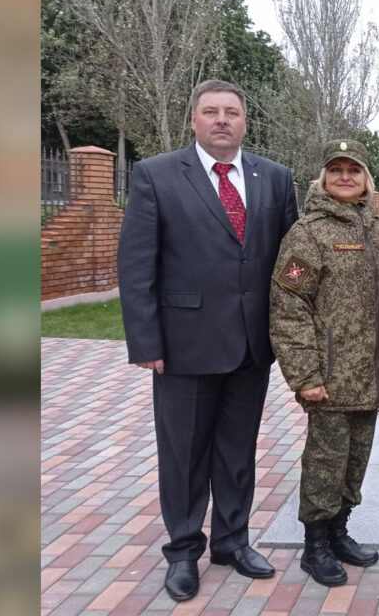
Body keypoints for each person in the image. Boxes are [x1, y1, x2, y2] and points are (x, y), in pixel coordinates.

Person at [117, 80, 299, 601]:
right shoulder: (156, 175)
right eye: (211, 112)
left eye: (232, 113)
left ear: (245, 122)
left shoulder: (275, 178)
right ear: (193, 120)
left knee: (238, 451)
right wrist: (147, 341)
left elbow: (291, 266)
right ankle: (182, 552)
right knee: (185, 454)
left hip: (250, 345)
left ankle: (232, 541)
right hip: (184, 345)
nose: (222, 120)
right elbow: (136, 264)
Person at [269, 140, 379, 587]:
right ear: (323, 179)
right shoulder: (307, 233)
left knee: (356, 458)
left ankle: (339, 531)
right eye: (336, 170)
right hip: (329, 375)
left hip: (368, 374)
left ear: (367, 179)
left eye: (353, 170)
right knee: (325, 462)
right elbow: (288, 305)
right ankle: (315, 546)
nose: (345, 177)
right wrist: (304, 375)